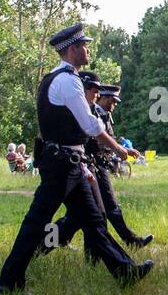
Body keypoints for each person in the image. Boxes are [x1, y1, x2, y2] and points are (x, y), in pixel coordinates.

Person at [0, 23, 153, 294]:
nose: (87, 50)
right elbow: (90, 125)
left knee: (93, 220)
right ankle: (8, 281)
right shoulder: (68, 81)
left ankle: (125, 271)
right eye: (84, 46)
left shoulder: (54, 78)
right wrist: (119, 150)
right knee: (36, 222)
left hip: (69, 162)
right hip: (62, 164)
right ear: (72, 50)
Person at [48, 75, 150, 257]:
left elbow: (106, 139)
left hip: (94, 167)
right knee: (99, 212)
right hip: (86, 167)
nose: (114, 104)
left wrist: (122, 149)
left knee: (81, 216)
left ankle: (53, 245)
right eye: (111, 100)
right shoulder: (86, 112)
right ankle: (124, 244)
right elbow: (87, 141)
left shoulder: (102, 115)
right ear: (102, 97)